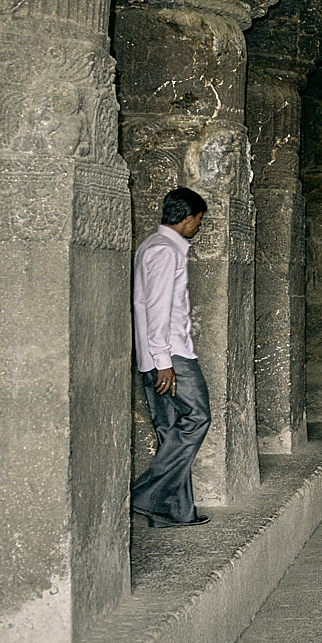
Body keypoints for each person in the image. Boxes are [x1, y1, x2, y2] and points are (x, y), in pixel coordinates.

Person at [131, 187, 213, 528]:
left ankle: (174, 512)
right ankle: (146, 497)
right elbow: (158, 309)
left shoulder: (151, 245)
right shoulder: (166, 251)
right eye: (199, 220)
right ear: (187, 217)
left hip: (153, 356)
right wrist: (165, 361)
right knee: (197, 418)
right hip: (171, 356)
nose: (199, 226)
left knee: (170, 431)